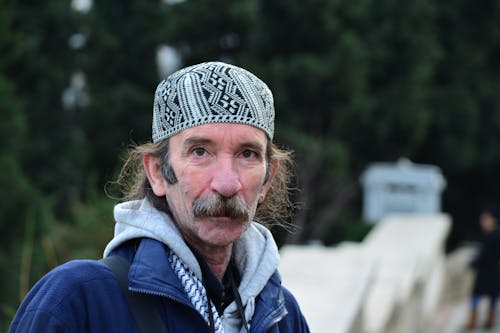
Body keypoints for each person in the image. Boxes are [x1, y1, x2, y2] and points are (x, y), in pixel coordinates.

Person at [9, 61, 310, 332]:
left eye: (247, 154)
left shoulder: (281, 318)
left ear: (268, 178)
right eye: (200, 152)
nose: (227, 184)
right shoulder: (79, 301)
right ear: (157, 173)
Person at [465, 207, 500, 330]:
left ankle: (475, 322)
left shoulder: (493, 236)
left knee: (477, 296)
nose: (483, 221)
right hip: (493, 271)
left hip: (487, 271)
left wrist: (474, 263)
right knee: (492, 297)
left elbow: (485, 254)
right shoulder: (493, 235)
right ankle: (488, 322)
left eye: (485, 219)